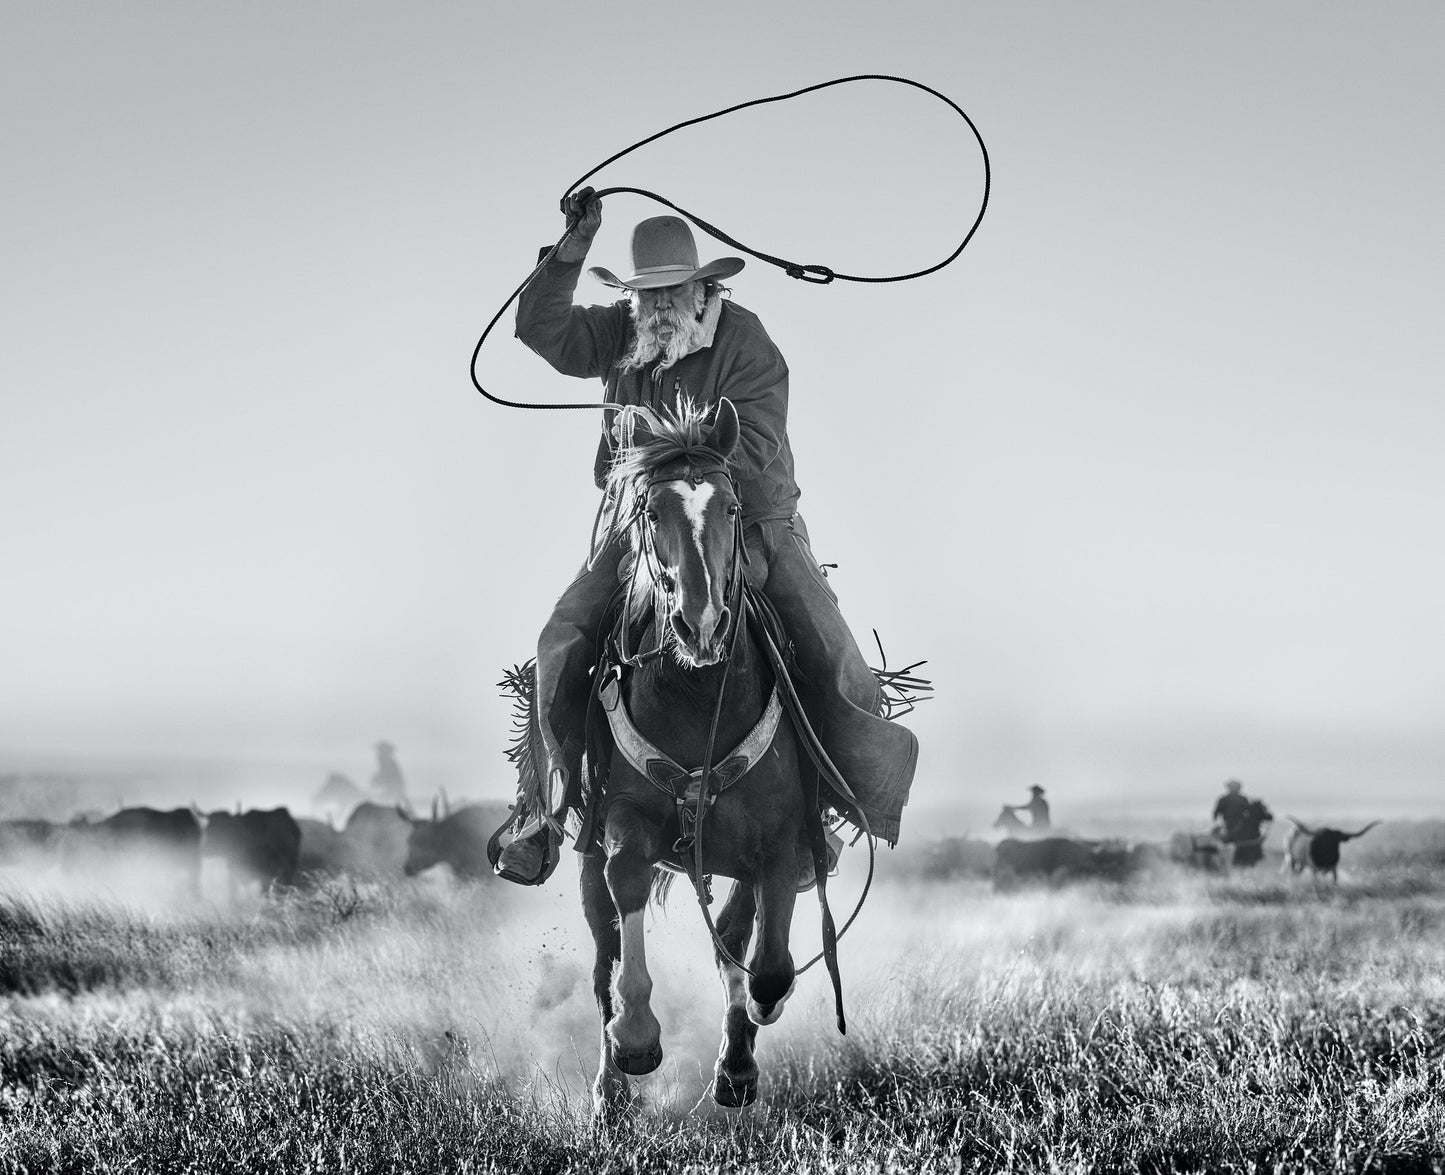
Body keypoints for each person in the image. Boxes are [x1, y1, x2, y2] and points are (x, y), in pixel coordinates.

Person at [493, 189, 918, 884]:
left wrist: (668, 456)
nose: (658, 307)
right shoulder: (618, 335)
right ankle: (539, 812)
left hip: (749, 522)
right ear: (631, 297)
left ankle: (831, 809)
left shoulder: (747, 343)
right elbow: (545, 333)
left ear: (701, 288)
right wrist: (569, 254)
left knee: (832, 650)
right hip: (639, 527)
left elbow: (750, 448)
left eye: (672, 291)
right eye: (646, 294)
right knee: (561, 637)